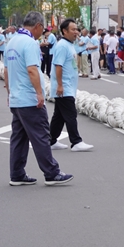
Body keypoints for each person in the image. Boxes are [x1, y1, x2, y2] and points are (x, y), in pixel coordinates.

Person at [4, 12, 74, 185]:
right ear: (38, 26)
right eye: (42, 29)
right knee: (41, 135)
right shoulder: (30, 43)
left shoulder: (12, 41)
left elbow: (6, 70)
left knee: (19, 138)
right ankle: (51, 172)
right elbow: (32, 70)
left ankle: (17, 173)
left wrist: (9, 92)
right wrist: (39, 93)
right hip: (29, 98)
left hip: (16, 97)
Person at [48, 19, 94, 152]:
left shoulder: (69, 45)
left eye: (77, 29)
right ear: (64, 31)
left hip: (68, 85)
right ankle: (76, 141)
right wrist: (60, 85)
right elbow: (58, 65)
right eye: (73, 29)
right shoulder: (62, 45)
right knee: (70, 114)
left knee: (59, 116)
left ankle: (51, 140)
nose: (76, 32)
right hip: (64, 86)